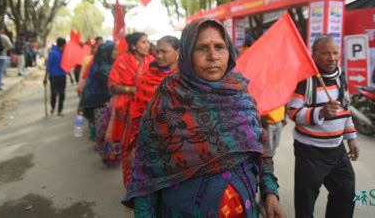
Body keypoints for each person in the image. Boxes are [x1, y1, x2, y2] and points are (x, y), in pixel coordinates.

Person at [123, 18, 286, 218]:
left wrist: (270, 193)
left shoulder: (240, 93)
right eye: (201, 48)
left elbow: (261, 146)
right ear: (186, 54)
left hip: (244, 208)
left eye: (220, 47)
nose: (213, 56)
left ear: (230, 52)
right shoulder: (167, 99)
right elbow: (145, 174)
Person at [287, 35, 359, 218]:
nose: (332, 58)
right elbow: (293, 112)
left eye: (335, 53)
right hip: (310, 152)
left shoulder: (340, 77)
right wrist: (320, 113)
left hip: (337, 150)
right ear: (314, 55)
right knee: (306, 202)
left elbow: (345, 109)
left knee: (346, 193)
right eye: (325, 53)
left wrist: (351, 138)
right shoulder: (305, 80)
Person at [122, 36, 180, 187]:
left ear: (178, 52)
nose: (159, 55)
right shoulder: (148, 75)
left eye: (164, 51)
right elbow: (138, 109)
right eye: (157, 51)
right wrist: (135, 143)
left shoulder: (184, 77)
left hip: (176, 140)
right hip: (147, 138)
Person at [103, 32, 153, 166]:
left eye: (148, 42)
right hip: (125, 107)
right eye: (143, 42)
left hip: (146, 107)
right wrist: (131, 90)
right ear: (133, 45)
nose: (147, 45)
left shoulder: (152, 61)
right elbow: (112, 85)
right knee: (127, 143)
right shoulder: (122, 61)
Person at [79, 41, 115, 147]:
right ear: (107, 52)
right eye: (115, 50)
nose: (117, 52)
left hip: (101, 101)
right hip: (99, 102)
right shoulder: (101, 68)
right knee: (103, 129)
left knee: (104, 128)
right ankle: (103, 150)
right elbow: (108, 85)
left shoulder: (104, 63)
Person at [44, 38, 67, 115]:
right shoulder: (53, 53)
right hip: (54, 76)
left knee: (62, 94)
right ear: (63, 45)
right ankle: (53, 107)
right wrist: (45, 77)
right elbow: (48, 66)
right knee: (54, 93)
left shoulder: (65, 53)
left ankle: (60, 110)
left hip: (62, 76)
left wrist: (70, 76)